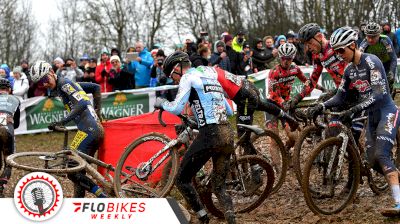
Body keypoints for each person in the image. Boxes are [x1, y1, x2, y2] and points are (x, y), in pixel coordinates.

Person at [307, 27, 400, 216]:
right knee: (372, 163)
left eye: (341, 51)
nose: (339, 56)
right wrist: (322, 106)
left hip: (386, 111)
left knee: (382, 155)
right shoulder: (349, 69)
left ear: (352, 45)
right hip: (371, 117)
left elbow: (379, 94)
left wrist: (355, 108)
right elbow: (340, 97)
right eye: (336, 51)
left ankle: (399, 203)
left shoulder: (372, 62)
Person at [154, 52, 235, 224]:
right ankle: (231, 218)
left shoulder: (188, 77)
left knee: (182, 180)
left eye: (172, 75)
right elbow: (229, 111)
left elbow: (176, 108)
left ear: (177, 68)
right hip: (228, 132)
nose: (173, 80)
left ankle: (203, 218)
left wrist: (162, 103)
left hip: (211, 134)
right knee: (219, 187)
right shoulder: (210, 77)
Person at [30, 60, 106, 198]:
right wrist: (97, 112)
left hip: (89, 131)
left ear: (52, 72)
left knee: (72, 171)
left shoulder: (64, 83)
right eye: (40, 83)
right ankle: (78, 204)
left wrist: (62, 121)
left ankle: (103, 197)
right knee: (78, 171)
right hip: (91, 130)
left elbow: (82, 104)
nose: (44, 84)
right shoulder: (68, 84)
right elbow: (95, 88)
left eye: (45, 79)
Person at [267, 43, 316, 149]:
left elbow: (306, 81)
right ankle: (276, 166)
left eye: (288, 59)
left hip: (286, 103)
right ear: (280, 57)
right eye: (283, 58)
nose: (286, 61)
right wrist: (284, 103)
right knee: (274, 140)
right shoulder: (274, 72)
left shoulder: (295, 68)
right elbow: (274, 94)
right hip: (272, 104)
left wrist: (317, 87)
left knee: (293, 137)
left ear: (293, 57)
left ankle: (286, 152)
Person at [359, 22, 397, 94]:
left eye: (373, 37)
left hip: (386, 64)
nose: (370, 40)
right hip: (374, 67)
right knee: (376, 90)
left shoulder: (385, 40)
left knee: (388, 83)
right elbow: (360, 62)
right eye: (368, 36)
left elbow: (393, 59)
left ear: (379, 35)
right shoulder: (363, 44)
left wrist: (392, 71)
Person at [0, 78, 20, 198]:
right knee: (9, 162)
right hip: (7, 130)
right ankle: (1, 187)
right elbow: (16, 123)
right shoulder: (15, 99)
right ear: (9, 90)